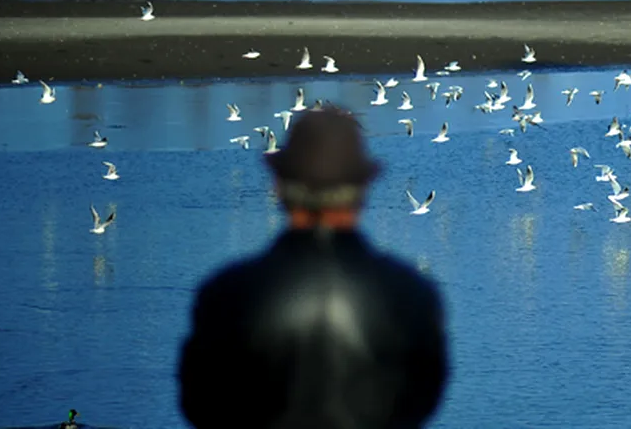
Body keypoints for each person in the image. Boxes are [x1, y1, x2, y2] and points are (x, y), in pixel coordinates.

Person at [178, 106, 449, 428]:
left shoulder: (226, 293)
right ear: (364, 188)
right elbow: (423, 399)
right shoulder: (411, 293)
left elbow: (199, 404)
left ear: (277, 186)